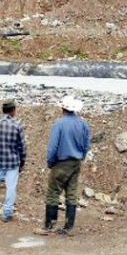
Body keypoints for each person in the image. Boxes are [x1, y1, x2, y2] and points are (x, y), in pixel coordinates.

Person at [41, 95, 91, 235]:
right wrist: (81, 157)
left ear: (63, 108)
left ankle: (49, 225)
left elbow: (53, 147)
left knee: (53, 193)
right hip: (76, 162)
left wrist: (51, 162)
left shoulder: (59, 124)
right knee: (72, 193)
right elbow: (87, 145)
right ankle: (69, 227)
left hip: (61, 163)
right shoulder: (83, 124)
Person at [0, 101, 27, 222]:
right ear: (14, 111)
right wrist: (22, 162)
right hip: (13, 162)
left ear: (3, 111)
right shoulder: (17, 125)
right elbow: (22, 147)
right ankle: (7, 213)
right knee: (11, 187)